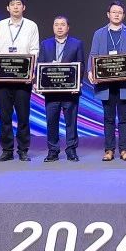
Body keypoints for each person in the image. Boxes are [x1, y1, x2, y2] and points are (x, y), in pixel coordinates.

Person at [88, 0, 126, 162]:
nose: (116, 14)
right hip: (105, 84)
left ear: (123, 15)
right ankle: (109, 150)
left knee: (124, 118)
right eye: (114, 12)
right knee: (108, 118)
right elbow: (93, 55)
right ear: (108, 14)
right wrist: (90, 71)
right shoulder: (99, 34)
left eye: (119, 12)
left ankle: (124, 149)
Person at [0, 0, 39, 161]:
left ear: (23, 7)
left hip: (22, 78)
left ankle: (23, 150)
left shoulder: (31, 26)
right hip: (3, 78)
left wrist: (31, 71)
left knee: (23, 116)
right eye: (13, 4)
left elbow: (34, 50)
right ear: (8, 8)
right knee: (5, 116)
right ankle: (7, 150)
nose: (16, 7)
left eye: (19, 4)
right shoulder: (0, 25)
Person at [38, 15, 85, 162]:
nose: (59, 27)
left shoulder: (76, 43)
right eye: (56, 24)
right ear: (53, 27)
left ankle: (71, 150)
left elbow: (81, 65)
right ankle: (53, 151)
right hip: (51, 92)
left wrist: (77, 83)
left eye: (62, 24)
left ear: (68, 27)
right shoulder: (45, 44)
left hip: (70, 92)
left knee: (71, 122)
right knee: (51, 122)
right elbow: (40, 65)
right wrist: (38, 82)